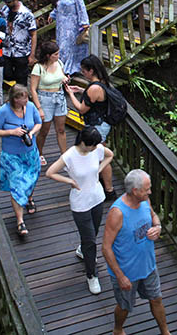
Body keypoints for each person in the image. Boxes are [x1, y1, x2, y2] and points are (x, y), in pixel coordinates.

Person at [45, 126, 114, 295]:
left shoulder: (96, 149)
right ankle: (91, 275)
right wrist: (69, 181)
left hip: (97, 198)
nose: (95, 148)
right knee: (90, 240)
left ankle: (82, 251)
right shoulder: (69, 155)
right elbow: (50, 172)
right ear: (83, 142)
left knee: (94, 232)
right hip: (80, 203)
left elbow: (110, 155)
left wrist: (98, 170)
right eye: (92, 145)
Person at [103, 169, 169, 335]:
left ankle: (165, 332)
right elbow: (106, 247)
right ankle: (118, 329)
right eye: (147, 189)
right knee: (125, 306)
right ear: (135, 191)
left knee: (157, 299)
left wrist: (158, 227)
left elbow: (154, 217)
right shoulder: (117, 213)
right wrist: (120, 276)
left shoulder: (145, 201)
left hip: (148, 266)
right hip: (127, 271)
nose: (150, 192)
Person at [0, 84, 42, 236]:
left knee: (32, 177)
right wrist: (12, 132)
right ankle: (20, 221)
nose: (26, 100)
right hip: (12, 155)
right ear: (15, 99)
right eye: (23, 98)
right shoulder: (4, 111)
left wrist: (32, 133)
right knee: (17, 185)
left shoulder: (31, 107)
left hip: (30, 152)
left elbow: (39, 122)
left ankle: (29, 197)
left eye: (27, 97)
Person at [65, 55, 116, 199]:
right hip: (102, 123)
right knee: (101, 154)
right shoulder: (102, 81)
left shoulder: (94, 87)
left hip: (98, 126)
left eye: (84, 70)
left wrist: (70, 94)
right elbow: (95, 98)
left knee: (102, 156)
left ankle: (109, 189)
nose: (83, 73)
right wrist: (81, 91)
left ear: (91, 70)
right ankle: (105, 184)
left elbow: (81, 109)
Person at [29, 41, 69, 167]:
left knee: (61, 129)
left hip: (59, 96)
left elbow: (62, 76)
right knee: (44, 130)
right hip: (44, 98)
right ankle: (39, 153)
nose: (58, 56)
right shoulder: (38, 67)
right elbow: (33, 90)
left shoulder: (59, 63)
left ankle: (64, 155)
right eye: (55, 54)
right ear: (48, 55)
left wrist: (66, 80)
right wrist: (39, 108)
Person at [49, 0, 89, 76]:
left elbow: (81, 7)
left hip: (72, 24)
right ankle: (63, 67)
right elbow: (58, 6)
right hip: (61, 25)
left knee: (70, 46)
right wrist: (52, 15)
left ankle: (71, 68)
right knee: (61, 46)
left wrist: (84, 22)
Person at [0, 0, 37, 86]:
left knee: (21, 79)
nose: (8, 4)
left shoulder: (26, 14)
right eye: (6, 2)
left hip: (21, 51)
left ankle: (22, 97)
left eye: (10, 2)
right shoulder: (4, 10)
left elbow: (33, 34)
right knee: (6, 74)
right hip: (7, 50)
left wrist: (32, 55)